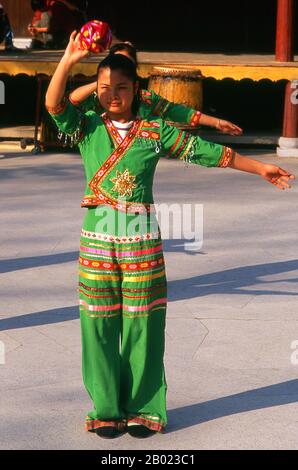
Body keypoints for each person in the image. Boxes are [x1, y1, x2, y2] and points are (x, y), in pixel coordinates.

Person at [45, 32, 295, 439]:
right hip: (96, 240)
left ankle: (144, 409)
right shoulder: (87, 127)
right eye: (106, 88)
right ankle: (106, 408)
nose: (113, 96)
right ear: (97, 90)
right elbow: (55, 104)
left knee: (144, 324)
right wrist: (69, 59)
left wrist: (260, 168)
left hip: (142, 239)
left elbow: (207, 152)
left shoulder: (155, 130)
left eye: (121, 88)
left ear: (136, 89)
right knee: (98, 325)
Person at [69, 42, 243, 136]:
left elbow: (180, 113)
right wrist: (101, 82)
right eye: (115, 62)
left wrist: (216, 123)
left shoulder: (146, 98)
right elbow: (73, 99)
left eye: (126, 64)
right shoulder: (101, 95)